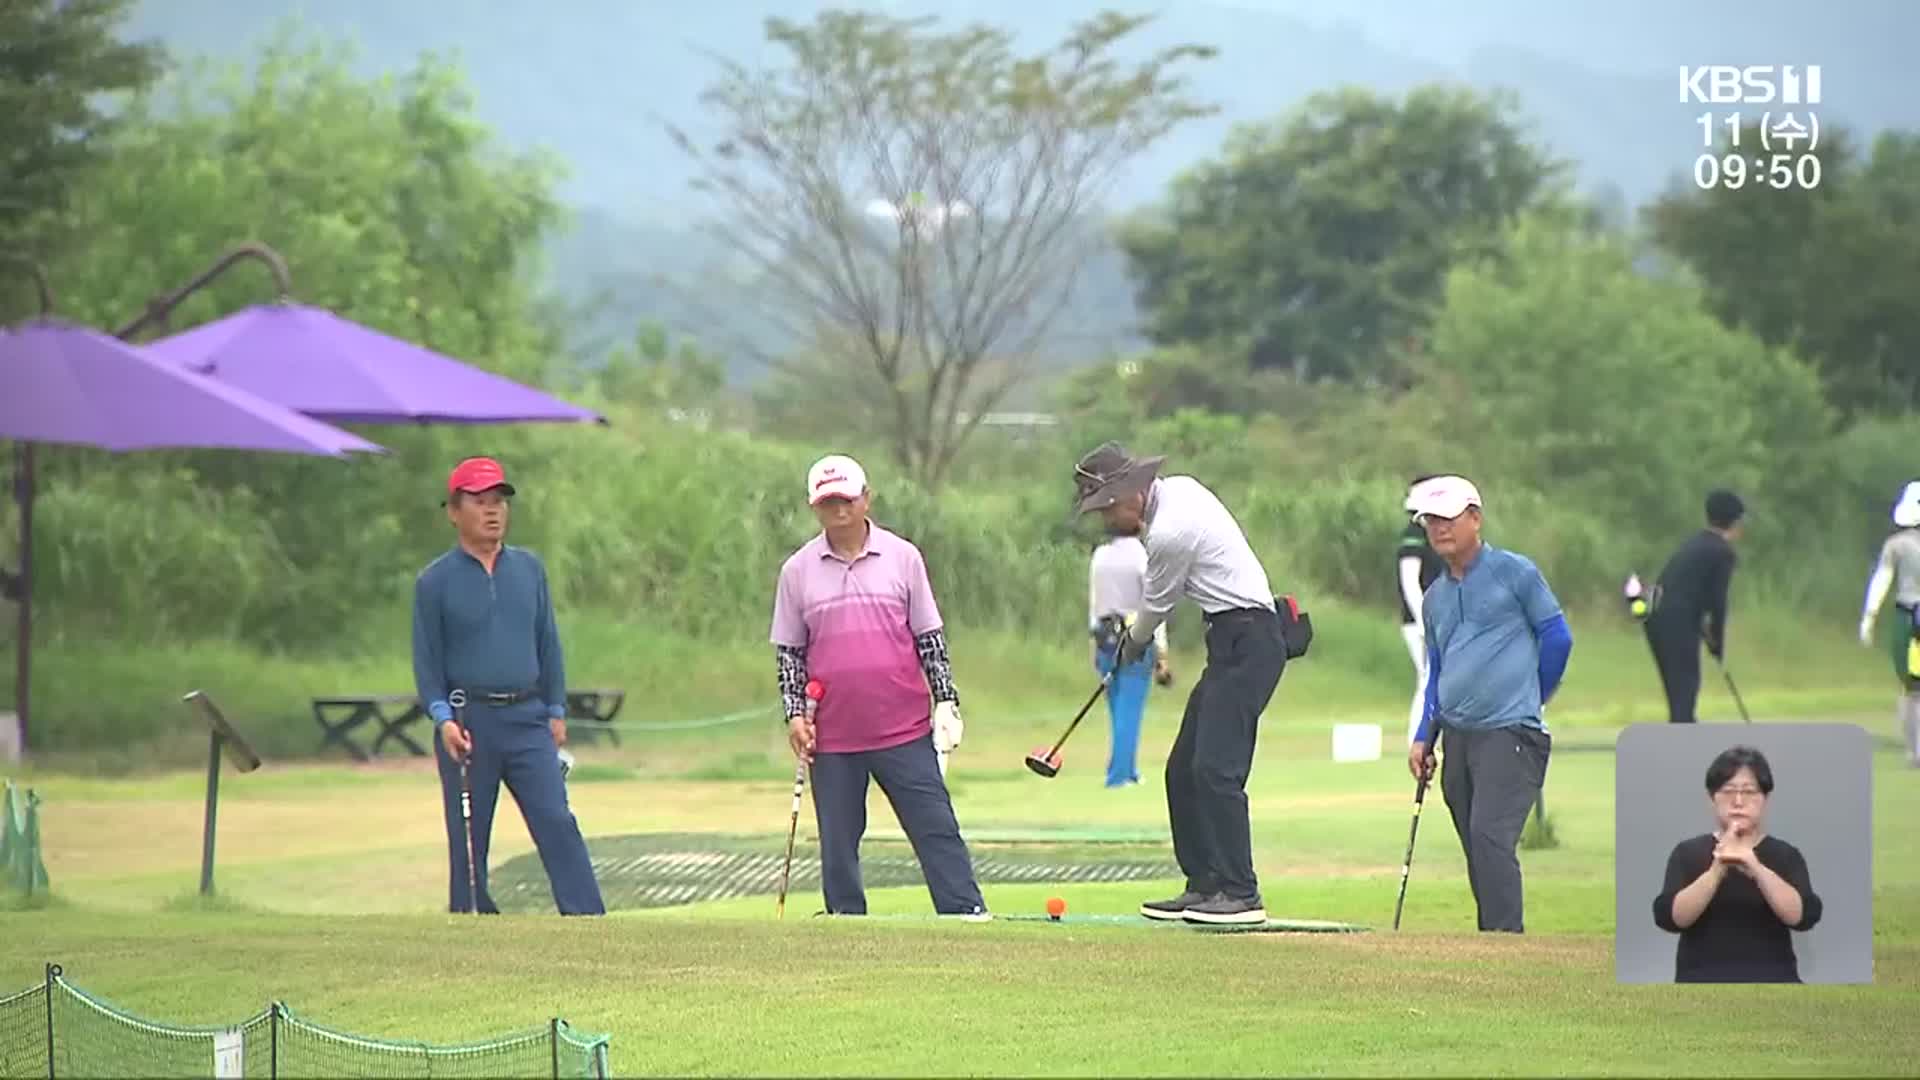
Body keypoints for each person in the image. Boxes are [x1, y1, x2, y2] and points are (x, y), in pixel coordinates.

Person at [1072, 442, 1286, 925]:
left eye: (1106, 506)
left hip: (1251, 640)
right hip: (1231, 639)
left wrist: (1132, 644)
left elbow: (1157, 605)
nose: (1105, 519)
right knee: (1181, 769)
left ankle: (1240, 893)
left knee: (1215, 770)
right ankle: (1204, 884)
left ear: (1131, 493)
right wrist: (1135, 640)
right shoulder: (1182, 490)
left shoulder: (1169, 531)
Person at [770, 453, 987, 917]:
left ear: (866, 499)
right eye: (829, 502)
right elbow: (790, 654)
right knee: (839, 840)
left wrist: (946, 700)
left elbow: (929, 637)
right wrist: (793, 714)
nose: (839, 510)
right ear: (815, 508)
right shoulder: (797, 571)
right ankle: (846, 921)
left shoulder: (903, 558)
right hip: (832, 734)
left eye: (847, 499)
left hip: (903, 727)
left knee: (935, 827)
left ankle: (965, 912)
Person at [411, 457, 605, 916]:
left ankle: (587, 918)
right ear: (454, 511)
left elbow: (548, 642)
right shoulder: (435, 582)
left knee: (557, 820)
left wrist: (556, 709)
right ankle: (473, 917)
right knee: (468, 835)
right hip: (468, 721)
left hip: (528, 717)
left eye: (498, 501)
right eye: (480, 502)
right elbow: (427, 663)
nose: (493, 511)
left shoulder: (528, 570)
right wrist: (441, 718)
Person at [1407, 475, 1571, 934]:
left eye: (1448, 519)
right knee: (1475, 844)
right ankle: (1491, 942)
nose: (1439, 529)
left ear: (1475, 518)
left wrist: (1532, 696)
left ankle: (1505, 940)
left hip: (1509, 733)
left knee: (1489, 836)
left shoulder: (1515, 573)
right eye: (1430, 521)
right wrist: (1425, 734)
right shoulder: (1435, 598)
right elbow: (1437, 671)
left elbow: (1557, 638)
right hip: (1457, 734)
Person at [1651, 745, 1823, 982]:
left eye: (1749, 792)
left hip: (1774, 983)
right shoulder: (1687, 853)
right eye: (1728, 791)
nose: (1738, 801)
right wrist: (1717, 868)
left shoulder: (1785, 855)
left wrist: (1755, 866)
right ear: (1712, 799)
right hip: (1700, 984)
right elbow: (1670, 919)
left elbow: (1802, 917)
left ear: (1765, 799)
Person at [1642, 490, 1745, 724]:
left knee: (1678, 690)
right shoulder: (1722, 552)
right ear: (1735, 522)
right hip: (1676, 622)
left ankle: (1683, 732)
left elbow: (1690, 594)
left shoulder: (1696, 543)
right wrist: (1718, 643)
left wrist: (1707, 634)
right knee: (1685, 689)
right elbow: (1717, 603)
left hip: (1657, 617)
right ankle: (1682, 743)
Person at [1088, 533, 1172, 788]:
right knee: (1129, 710)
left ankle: (1127, 768)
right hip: (1135, 638)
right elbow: (1153, 606)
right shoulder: (1142, 558)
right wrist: (1162, 651)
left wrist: (1093, 642)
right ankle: (1119, 776)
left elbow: (1094, 604)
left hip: (1105, 637)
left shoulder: (1100, 556)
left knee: (1117, 710)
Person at [1858, 480, 1920, 767]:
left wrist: (1870, 617)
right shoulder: (1899, 545)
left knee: (1910, 688)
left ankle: (1913, 749)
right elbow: (1881, 580)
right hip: (1910, 620)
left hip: (1907, 618)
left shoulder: (1896, 545)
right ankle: (1914, 749)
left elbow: (1881, 581)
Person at [1396, 475, 1448, 747]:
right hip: (1421, 621)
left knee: (1435, 679)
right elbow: (1409, 581)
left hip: (1438, 618)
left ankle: (1430, 739)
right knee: (1428, 678)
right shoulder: (1414, 534)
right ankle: (1420, 741)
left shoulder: (1432, 533)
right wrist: (1424, 620)